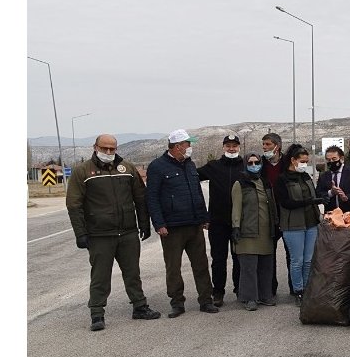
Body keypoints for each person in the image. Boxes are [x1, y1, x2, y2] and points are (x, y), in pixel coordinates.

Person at [67, 134, 161, 331]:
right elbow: (74, 205)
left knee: (132, 272)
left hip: (127, 233)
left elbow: (140, 198)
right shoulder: (82, 171)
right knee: (100, 276)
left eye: (112, 149)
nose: (108, 152)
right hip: (100, 235)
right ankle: (97, 314)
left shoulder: (127, 169)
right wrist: (80, 233)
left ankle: (140, 307)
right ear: (95, 147)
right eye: (104, 148)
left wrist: (144, 224)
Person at [146, 129, 217, 317]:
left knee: (201, 264)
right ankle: (177, 302)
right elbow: (152, 198)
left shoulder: (189, 165)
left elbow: (197, 193)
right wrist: (159, 223)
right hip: (172, 228)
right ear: (177, 147)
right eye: (188, 144)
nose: (190, 148)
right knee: (173, 267)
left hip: (194, 225)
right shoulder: (157, 166)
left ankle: (206, 300)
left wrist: (204, 217)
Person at [198, 134, 246, 307]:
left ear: (239, 147)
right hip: (217, 222)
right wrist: (204, 215)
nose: (231, 149)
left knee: (239, 257)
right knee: (218, 259)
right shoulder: (213, 166)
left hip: (239, 221)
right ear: (223, 147)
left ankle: (240, 289)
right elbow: (192, 178)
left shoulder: (246, 165)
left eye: (234, 145)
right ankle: (218, 292)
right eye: (228, 146)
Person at [274, 144, 322, 304]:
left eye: (306, 162)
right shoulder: (282, 179)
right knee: (297, 260)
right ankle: (298, 290)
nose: (304, 164)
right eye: (302, 161)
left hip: (311, 222)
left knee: (308, 259)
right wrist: (310, 201)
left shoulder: (306, 176)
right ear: (293, 160)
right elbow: (286, 203)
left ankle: (307, 288)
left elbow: (314, 194)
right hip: (293, 224)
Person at [231, 153, 278, 310]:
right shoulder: (240, 184)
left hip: (266, 231)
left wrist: (276, 225)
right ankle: (249, 298)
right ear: (245, 165)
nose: (253, 165)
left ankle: (265, 295)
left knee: (266, 266)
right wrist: (236, 226)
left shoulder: (265, 182)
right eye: (250, 163)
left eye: (256, 162)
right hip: (247, 232)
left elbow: (272, 205)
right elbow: (236, 207)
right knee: (249, 267)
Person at [259, 132, 288, 295]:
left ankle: (295, 288)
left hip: (286, 211)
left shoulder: (288, 163)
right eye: (263, 145)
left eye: (268, 144)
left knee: (292, 254)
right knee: (269, 253)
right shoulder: (259, 163)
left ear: (277, 146)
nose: (265, 148)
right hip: (268, 213)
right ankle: (270, 288)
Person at [317, 145, 350, 214]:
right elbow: (318, 194)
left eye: (334, 159)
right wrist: (331, 193)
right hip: (331, 216)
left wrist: (346, 197)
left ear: (341, 159)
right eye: (328, 160)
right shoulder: (323, 176)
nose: (331, 162)